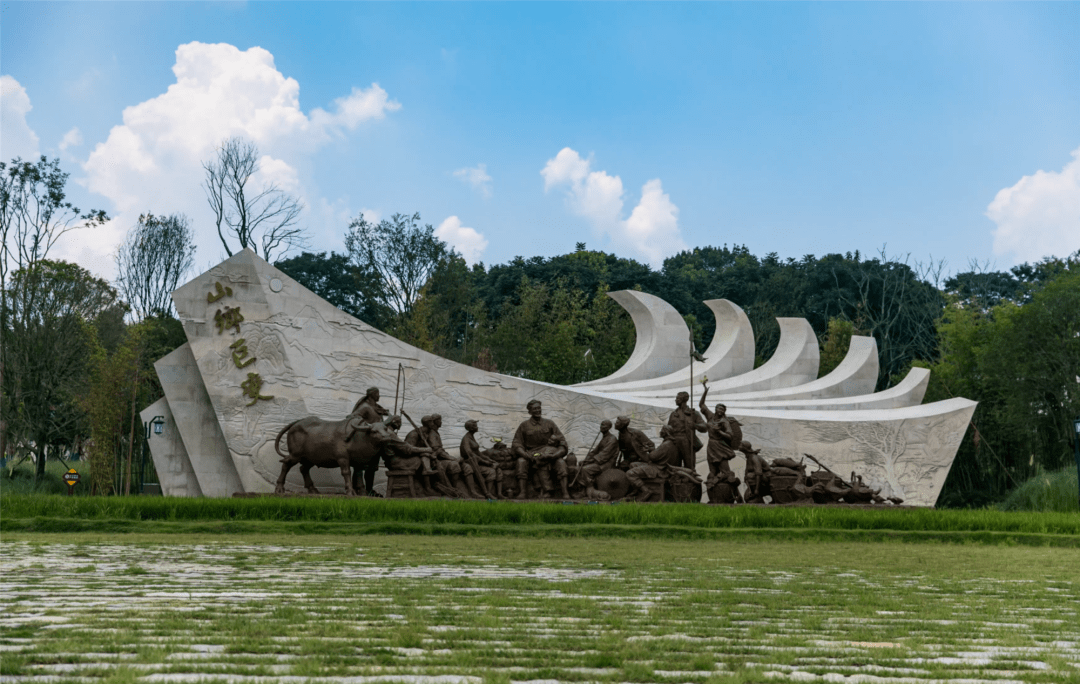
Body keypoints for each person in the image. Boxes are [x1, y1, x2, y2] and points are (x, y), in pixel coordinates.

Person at [511, 399, 570, 499]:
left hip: (549, 453)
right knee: (521, 462)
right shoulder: (524, 425)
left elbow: (562, 443)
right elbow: (516, 444)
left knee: (561, 463)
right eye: (535, 409)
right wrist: (526, 455)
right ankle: (522, 492)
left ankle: (565, 493)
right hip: (531, 454)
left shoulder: (550, 423)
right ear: (529, 411)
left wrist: (554, 455)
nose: (538, 410)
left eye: (539, 408)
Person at [698, 385, 743, 504]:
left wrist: (720, 432)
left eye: (722, 409)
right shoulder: (710, 416)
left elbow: (730, 436)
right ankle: (714, 499)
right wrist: (705, 392)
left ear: (724, 412)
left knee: (727, 473)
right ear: (716, 409)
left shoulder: (724, 422)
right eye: (718, 408)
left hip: (720, 447)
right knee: (712, 473)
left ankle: (739, 498)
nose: (720, 410)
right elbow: (701, 405)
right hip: (711, 446)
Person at [405, 414, 469, 497]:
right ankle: (429, 488)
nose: (434, 423)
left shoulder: (426, 433)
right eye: (432, 421)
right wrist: (425, 451)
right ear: (429, 423)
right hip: (415, 459)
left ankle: (450, 488)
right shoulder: (414, 434)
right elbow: (408, 449)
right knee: (428, 462)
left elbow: (434, 449)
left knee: (432, 462)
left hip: (428, 457)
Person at [351, 387, 390, 496]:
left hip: (375, 442)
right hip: (364, 442)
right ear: (372, 394)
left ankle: (369, 490)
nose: (379, 396)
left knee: (372, 468)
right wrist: (368, 426)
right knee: (360, 466)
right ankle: (358, 489)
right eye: (377, 393)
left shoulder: (377, 408)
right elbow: (353, 418)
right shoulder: (365, 407)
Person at [666, 391, 707, 469]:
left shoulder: (693, 413)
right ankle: (676, 481)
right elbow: (668, 429)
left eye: (677, 398)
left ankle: (690, 480)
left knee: (689, 465)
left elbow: (704, 427)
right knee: (674, 465)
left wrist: (695, 425)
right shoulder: (673, 414)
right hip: (674, 441)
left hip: (687, 441)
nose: (676, 400)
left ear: (683, 399)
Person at [460, 420, 500, 498]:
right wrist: (485, 462)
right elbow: (471, 454)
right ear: (471, 428)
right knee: (490, 471)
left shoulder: (471, 437)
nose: (477, 427)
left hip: (476, 461)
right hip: (470, 463)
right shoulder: (466, 439)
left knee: (492, 471)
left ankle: (489, 492)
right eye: (475, 426)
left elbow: (478, 453)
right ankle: (479, 492)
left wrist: (488, 459)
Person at [576, 420, 619, 490]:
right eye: (601, 425)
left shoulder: (612, 439)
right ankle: (581, 487)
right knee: (581, 464)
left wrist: (590, 461)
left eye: (604, 425)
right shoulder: (604, 438)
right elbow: (594, 452)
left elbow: (604, 454)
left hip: (607, 464)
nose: (601, 427)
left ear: (608, 427)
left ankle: (590, 488)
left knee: (585, 469)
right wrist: (586, 459)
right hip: (599, 462)